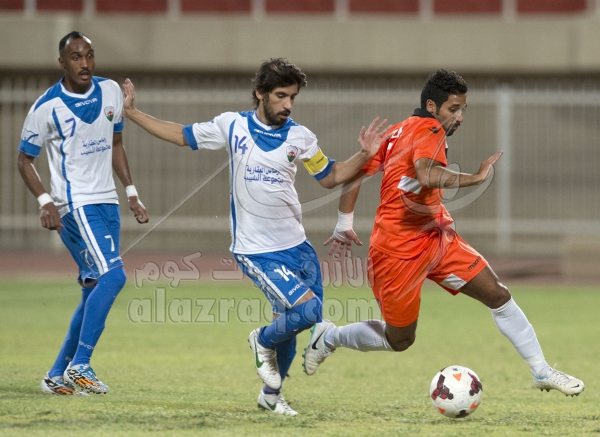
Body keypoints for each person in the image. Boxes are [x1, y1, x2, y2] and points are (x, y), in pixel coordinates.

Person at [120, 58, 389, 415]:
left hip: (297, 247)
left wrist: (365, 154)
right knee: (308, 311)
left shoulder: (301, 137)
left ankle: (271, 397)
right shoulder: (232, 125)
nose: (288, 104)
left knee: (292, 326)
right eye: (281, 96)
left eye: (292, 97)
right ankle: (260, 341)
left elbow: (330, 176)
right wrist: (133, 113)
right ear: (260, 93)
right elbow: (182, 135)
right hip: (257, 250)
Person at [303, 69, 585, 398]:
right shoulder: (431, 128)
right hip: (397, 251)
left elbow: (356, 174)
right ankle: (330, 337)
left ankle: (541, 371)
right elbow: (427, 174)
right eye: (454, 109)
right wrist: (475, 178)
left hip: (436, 238)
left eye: (463, 109)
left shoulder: (396, 132)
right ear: (432, 106)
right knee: (400, 339)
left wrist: (344, 221)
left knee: (498, 295)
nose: (460, 117)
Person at [17, 31, 148, 396]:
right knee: (114, 276)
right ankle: (81, 365)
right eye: (76, 57)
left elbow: (116, 143)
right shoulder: (46, 107)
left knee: (93, 287)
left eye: (89, 55)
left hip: (107, 202)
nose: (85, 63)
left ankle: (56, 374)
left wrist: (131, 193)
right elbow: (24, 160)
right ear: (62, 62)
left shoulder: (110, 91)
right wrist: (45, 201)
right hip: (74, 205)